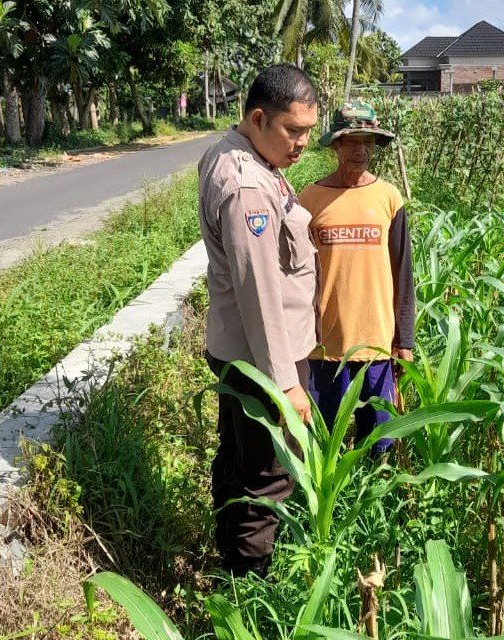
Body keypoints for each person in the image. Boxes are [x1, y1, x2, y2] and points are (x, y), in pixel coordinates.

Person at [197, 64, 319, 577]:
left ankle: (230, 560)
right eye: (293, 131)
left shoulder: (238, 153)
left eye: (309, 131)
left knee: (239, 460)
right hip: (267, 359)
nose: (303, 144)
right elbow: (260, 294)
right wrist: (286, 385)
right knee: (268, 476)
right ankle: (251, 588)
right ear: (258, 118)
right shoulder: (248, 184)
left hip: (241, 353)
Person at [299, 101, 415, 458]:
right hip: (324, 346)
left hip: (377, 346)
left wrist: (404, 340)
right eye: (352, 141)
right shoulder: (310, 199)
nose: (361, 150)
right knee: (321, 442)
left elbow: (403, 274)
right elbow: (298, 276)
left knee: (379, 444)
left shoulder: (389, 198)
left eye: (369, 142)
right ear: (335, 145)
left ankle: (373, 510)